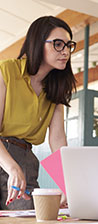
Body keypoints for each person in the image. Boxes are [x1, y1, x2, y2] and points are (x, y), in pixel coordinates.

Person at [0, 16, 76, 210]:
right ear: (36, 42)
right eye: (58, 44)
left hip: (25, 160)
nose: (65, 51)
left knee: (28, 222)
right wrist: (12, 167)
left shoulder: (56, 88)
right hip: (4, 155)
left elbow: (57, 140)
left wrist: (67, 184)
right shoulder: (7, 70)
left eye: (68, 45)